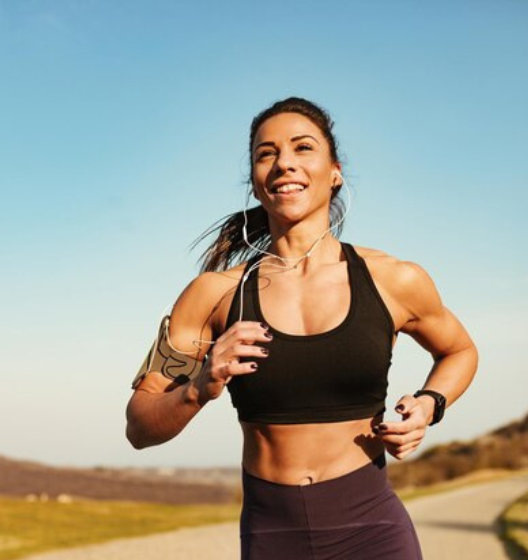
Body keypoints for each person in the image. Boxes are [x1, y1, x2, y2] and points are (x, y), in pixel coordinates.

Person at [125, 97, 478, 560]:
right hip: (272, 535)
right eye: (266, 153)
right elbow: (139, 427)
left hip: (373, 530)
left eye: (303, 147)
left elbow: (460, 351)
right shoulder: (212, 294)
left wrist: (430, 404)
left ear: (335, 173)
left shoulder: (395, 280)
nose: (284, 163)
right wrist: (198, 386)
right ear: (256, 183)